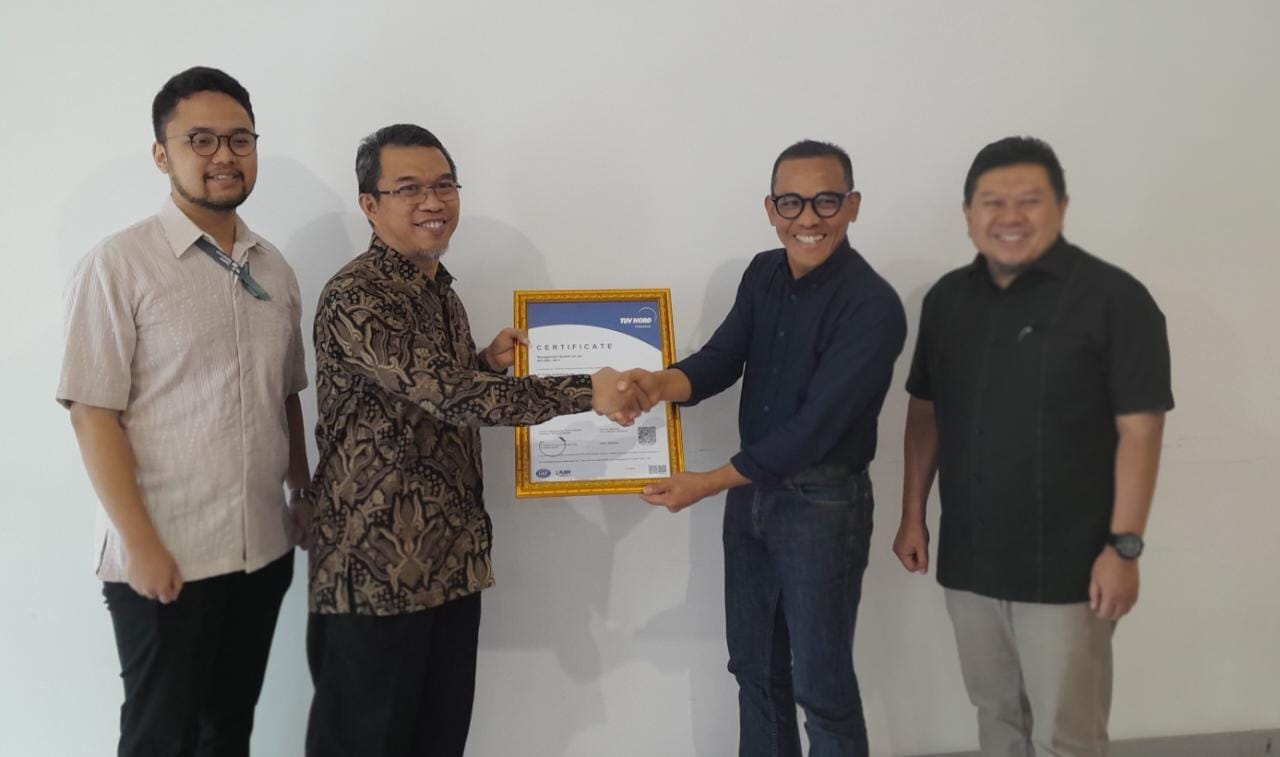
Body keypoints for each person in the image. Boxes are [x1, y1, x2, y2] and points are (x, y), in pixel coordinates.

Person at [303, 123, 643, 757]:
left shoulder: (439, 290)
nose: (432, 202)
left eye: (444, 185)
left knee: (439, 742)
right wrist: (585, 391)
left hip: (450, 564)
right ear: (370, 204)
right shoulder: (357, 295)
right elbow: (447, 395)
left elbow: (426, 397)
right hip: (374, 573)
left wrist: (484, 363)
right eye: (409, 188)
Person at [619, 140, 906, 757]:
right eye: (791, 202)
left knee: (822, 689)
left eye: (826, 201)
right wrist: (657, 385)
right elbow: (722, 358)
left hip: (822, 504)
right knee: (754, 669)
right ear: (770, 209)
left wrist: (706, 483)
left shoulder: (872, 306)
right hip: (751, 496)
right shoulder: (762, 273)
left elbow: (814, 430)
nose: (808, 218)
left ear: (852, 205)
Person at [892, 136, 1173, 756]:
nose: (1010, 216)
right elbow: (926, 410)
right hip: (970, 560)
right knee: (996, 718)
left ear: (1061, 207)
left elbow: (1141, 431)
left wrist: (1124, 549)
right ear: (969, 214)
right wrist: (913, 513)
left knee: (1066, 736)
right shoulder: (947, 301)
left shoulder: (1114, 300)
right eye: (992, 201)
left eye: (1029, 200)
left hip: (1071, 565)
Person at [58, 66, 310, 756]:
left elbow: (285, 393)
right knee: (159, 740)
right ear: (161, 153)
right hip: (167, 555)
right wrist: (140, 544)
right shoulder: (119, 264)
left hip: (261, 549)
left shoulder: (274, 268)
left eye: (239, 139)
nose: (224, 155)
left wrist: (303, 489)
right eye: (201, 139)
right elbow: (91, 412)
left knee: (228, 732)